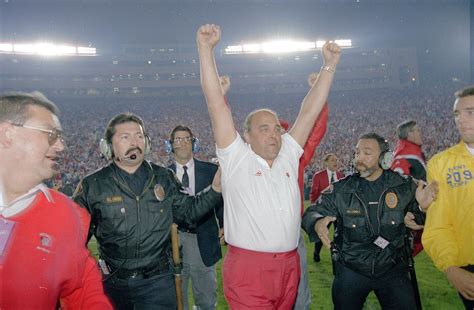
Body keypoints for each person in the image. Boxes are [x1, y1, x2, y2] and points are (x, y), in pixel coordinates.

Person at [197, 23, 340, 308]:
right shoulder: (236, 156)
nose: (274, 133)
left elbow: (309, 110)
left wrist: (330, 65)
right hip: (249, 269)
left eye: (276, 128)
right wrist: (205, 49)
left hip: (289, 266)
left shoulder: (288, 152)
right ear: (246, 136)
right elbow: (215, 104)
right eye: (264, 128)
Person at [73, 112, 223, 309]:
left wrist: (215, 189)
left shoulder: (164, 178)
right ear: (108, 146)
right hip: (112, 284)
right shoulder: (93, 185)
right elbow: (74, 241)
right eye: (125, 137)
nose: (134, 142)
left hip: (158, 284)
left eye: (139, 136)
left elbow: (188, 212)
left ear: (147, 143)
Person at [0, 92, 112, 309]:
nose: (61, 147)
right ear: (7, 135)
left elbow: (81, 288)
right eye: (50, 135)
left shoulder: (66, 213)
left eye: (61, 137)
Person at [302, 132, 437, 310]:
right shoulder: (341, 189)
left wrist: (423, 208)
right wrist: (317, 221)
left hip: (393, 268)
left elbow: (422, 219)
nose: (359, 158)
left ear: (385, 158)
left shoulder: (404, 186)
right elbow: (311, 213)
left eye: (367, 153)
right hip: (351, 269)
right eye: (357, 152)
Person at [422, 86, 474, 309]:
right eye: (457, 114)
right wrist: (451, 269)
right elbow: (438, 225)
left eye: (470, 112)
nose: (461, 120)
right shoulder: (441, 164)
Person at [168, 125, 224, 310]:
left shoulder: (210, 171)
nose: (183, 143)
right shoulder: (163, 175)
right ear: (171, 146)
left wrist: (224, 225)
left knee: (207, 300)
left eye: (186, 138)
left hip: (203, 237)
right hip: (174, 242)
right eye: (178, 139)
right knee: (177, 298)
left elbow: (221, 201)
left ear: (194, 143)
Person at [391, 120, 427, 256]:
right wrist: (403, 211)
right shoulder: (406, 154)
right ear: (409, 134)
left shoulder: (405, 151)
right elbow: (395, 186)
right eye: (417, 130)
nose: (420, 132)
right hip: (411, 216)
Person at [309, 153, 344, 262]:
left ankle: (338, 257)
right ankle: (316, 252)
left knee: (340, 235)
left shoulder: (341, 176)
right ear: (326, 162)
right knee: (322, 233)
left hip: (338, 211)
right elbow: (314, 193)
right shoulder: (318, 176)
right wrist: (314, 207)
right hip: (324, 211)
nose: (335, 162)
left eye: (336, 160)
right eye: (333, 160)